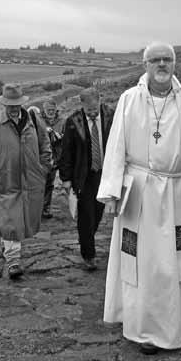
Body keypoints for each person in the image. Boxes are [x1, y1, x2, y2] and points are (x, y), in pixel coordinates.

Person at [96, 42, 181, 355]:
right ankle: (141, 330)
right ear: (145, 64)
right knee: (140, 264)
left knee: (172, 264)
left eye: (166, 59)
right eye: (155, 59)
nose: (161, 65)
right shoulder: (129, 99)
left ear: (174, 63)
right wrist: (112, 191)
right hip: (139, 192)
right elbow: (116, 146)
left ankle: (170, 330)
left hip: (175, 193)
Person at [0, 84, 51, 279]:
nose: (13, 108)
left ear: (22, 103)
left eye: (16, 104)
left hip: (30, 180)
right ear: (4, 104)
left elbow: (45, 145)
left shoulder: (33, 120)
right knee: (10, 220)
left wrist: (44, 168)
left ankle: (7, 245)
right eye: (10, 105)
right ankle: (13, 260)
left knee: (21, 220)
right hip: (4, 181)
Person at [59, 87, 114, 271]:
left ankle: (87, 238)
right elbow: (66, 151)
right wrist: (66, 179)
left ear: (100, 100)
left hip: (105, 174)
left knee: (97, 212)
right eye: (88, 109)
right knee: (86, 215)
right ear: (81, 104)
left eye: (94, 107)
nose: (92, 112)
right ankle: (88, 254)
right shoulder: (73, 122)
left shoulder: (110, 115)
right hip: (83, 175)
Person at [41, 99, 66, 218]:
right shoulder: (38, 121)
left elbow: (67, 137)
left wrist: (58, 136)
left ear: (56, 110)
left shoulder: (63, 121)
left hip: (55, 157)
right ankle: (36, 208)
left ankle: (46, 208)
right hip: (40, 157)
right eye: (48, 110)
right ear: (44, 110)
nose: (51, 112)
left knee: (49, 183)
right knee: (39, 183)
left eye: (52, 110)